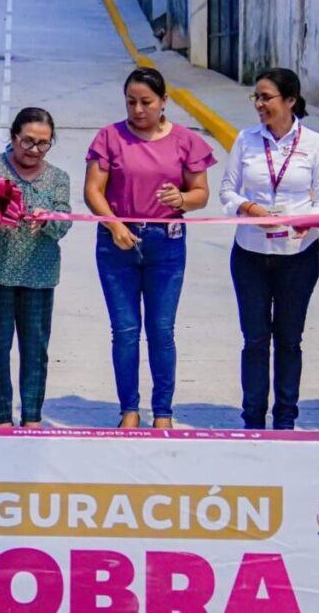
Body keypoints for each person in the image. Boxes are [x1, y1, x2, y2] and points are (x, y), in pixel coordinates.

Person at [84, 67, 216, 429]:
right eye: (131, 102)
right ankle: (129, 409)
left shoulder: (187, 141)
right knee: (125, 329)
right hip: (117, 245)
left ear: (164, 102)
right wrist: (114, 225)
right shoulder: (109, 138)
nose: (138, 110)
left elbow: (201, 194)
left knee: (161, 329)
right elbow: (93, 190)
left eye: (146, 102)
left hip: (166, 245)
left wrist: (183, 198)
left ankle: (163, 412)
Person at [219, 68, 319, 430]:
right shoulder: (246, 140)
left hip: (298, 257)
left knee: (289, 340)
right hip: (250, 253)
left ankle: (285, 418)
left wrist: (305, 223)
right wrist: (250, 210)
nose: (259, 104)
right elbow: (227, 192)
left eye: (266, 97)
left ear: (290, 101)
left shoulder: (314, 143)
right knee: (255, 340)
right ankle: (252, 418)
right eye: (256, 97)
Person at [0, 108, 71, 427]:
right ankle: (0, 418)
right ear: (13, 137)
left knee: (35, 349)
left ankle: (32, 417)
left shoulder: (58, 178)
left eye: (43, 143)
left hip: (38, 273)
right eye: (27, 142)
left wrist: (49, 220)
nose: (34, 150)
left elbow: (65, 220)